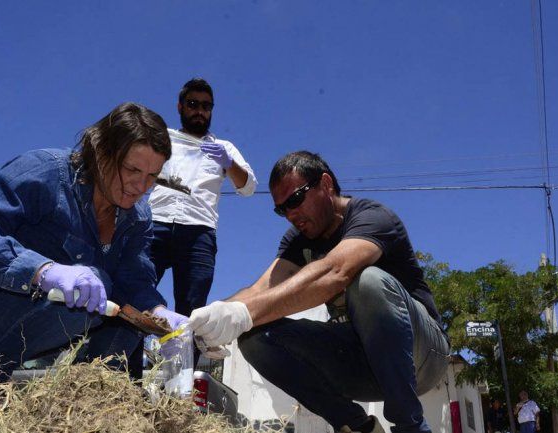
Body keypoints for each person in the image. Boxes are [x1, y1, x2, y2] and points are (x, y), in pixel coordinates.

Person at [0, 102, 187, 383]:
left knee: (130, 320)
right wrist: (42, 271)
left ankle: (92, 393)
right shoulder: (46, 171)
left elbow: (133, 280)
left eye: (152, 176)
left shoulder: (138, 217)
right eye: (132, 169)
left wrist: (159, 315)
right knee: (90, 289)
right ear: (101, 153)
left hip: (29, 322)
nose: (141, 186)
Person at [188, 151, 450, 433]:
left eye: (295, 200)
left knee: (368, 282)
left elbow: (335, 272)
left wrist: (243, 313)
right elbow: (261, 290)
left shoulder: (372, 216)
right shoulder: (298, 240)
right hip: (361, 364)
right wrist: (209, 316)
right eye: (281, 209)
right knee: (254, 336)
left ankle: (411, 426)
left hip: (422, 357)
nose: (290, 215)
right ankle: (358, 427)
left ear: (326, 184)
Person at [147, 78, 257, 320]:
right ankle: (127, 347)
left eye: (206, 106)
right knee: (136, 290)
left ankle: (184, 346)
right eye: (193, 104)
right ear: (180, 107)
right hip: (156, 223)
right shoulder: (162, 138)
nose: (199, 111)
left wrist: (228, 163)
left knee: (192, 309)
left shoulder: (224, 147)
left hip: (199, 231)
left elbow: (249, 187)